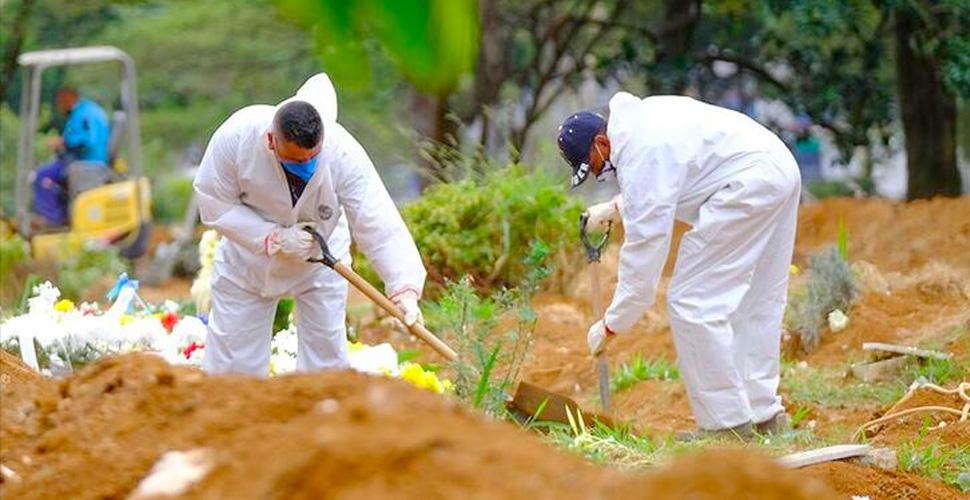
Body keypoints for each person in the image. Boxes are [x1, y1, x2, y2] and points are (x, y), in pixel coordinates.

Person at [557, 92, 801, 440]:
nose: (599, 175)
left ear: (601, 142)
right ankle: (765, 416)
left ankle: (726, 426)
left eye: (593, 166)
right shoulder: (643, 123)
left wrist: (611, 323)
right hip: (776, 166)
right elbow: (671, 179)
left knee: (692, 301)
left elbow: (645, 253)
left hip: (748, 183)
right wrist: (616, 208)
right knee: (759, 300)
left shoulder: (641, 153)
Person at [194, 73, 426, 375]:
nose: (305, 167)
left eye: (311, 158)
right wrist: (274, 239)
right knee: (233, 373)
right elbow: (214, 203)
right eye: (294, 160)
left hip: (322, 259)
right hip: (248, 261)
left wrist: (404, 289)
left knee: (325, 365)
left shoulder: (343, 151)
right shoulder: (236, 137)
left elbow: (376, 217)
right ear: (270, 141)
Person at [33, 86, 110, 226]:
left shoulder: (86, 114)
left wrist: (64, 142)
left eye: (59, 102)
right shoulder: (83, 111)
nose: (59, 107)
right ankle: (61, 216)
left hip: (88, 161)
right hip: (82, 160)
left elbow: (89, 140)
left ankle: (53, 220)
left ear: (68, 98)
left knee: (42, 176)